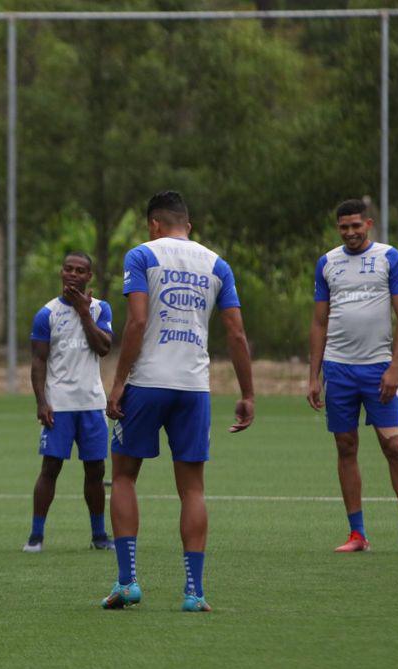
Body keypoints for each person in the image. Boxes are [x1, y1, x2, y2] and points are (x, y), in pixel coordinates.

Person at [103, 191, 254, 612]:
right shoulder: (216, 264)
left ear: (153, 224)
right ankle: (194, 592)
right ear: (188, 223)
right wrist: (247, 393)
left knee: (125, 477)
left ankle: (128, 582)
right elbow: (237, 334)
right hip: (193, 387)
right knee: (192, 488)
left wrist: (118, 383)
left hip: (148, 382)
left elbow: (136, 322)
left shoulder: (141, 255)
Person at [307, 198, 398, 554]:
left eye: (356, 225)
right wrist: (313, 376)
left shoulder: (389, 258)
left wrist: (395, 366)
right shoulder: (327, 263)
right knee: (346, 446)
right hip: (338, 369)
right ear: (338, 228)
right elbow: (319, 321)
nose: (351, 232)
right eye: (344, 227)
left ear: (368, 224)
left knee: (393, 445)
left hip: (378, 368)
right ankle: (357, 534)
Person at [24, 252, 113, 553]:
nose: (74, 274)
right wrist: (41, 401)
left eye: (81, 271)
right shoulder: (46, 314)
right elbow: (38, 361)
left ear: (90, 276)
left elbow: (103, 348)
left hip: (91, 403)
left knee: (96, 471)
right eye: (69, 269)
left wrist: (84, 312)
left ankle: (99, 536)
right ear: (61, 273)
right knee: (50, 468)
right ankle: (36, 536)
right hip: (59, 405)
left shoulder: (101, 309)